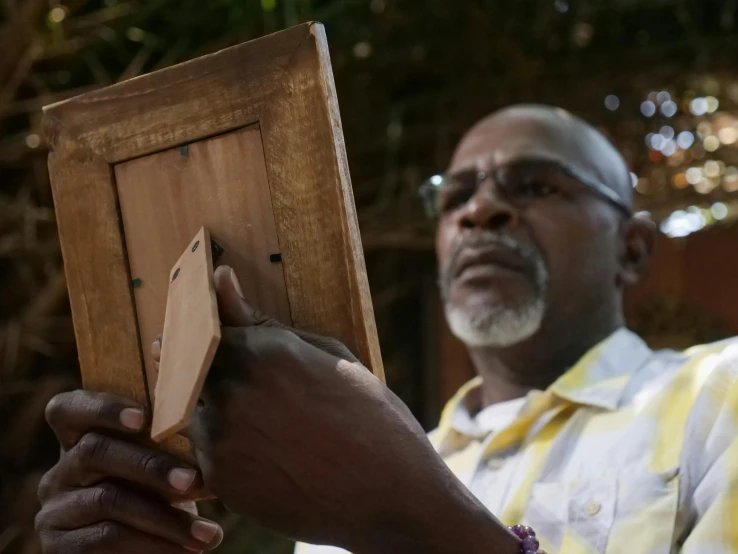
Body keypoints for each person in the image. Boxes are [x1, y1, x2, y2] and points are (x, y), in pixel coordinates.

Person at [34, 105, 738, 554]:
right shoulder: (348, 473)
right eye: (456, 196)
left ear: (634, 248)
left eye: (537, 186)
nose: (480, 211)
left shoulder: (721, 394)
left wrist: (416, 521)